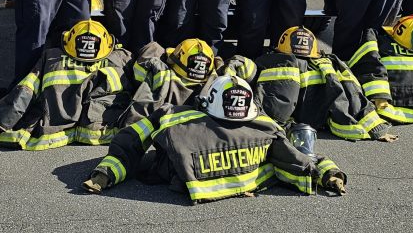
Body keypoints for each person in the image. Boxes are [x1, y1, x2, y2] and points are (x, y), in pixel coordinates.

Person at [82, 75, 347, 202]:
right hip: (245, 183)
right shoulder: (265, 126)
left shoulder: (174, 118)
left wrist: (107, 172)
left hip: (180, 181)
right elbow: (297, 158)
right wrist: (328, 173)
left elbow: (131, 140)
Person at [0, 20, 135, 150]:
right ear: (110, 44)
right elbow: (143, 96)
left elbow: (22, 95)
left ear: (67, 41)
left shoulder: (52, 57)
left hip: (52, 129)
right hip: (102, 131)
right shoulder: (121, 58)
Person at [246, 26, 397, 142]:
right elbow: (353, 93)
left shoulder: (271, 61)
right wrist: (377, 129)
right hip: (320, 121)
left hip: (280, 124)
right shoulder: (328, 64)